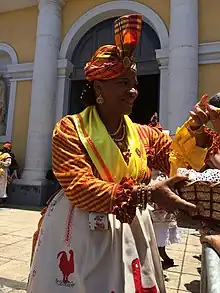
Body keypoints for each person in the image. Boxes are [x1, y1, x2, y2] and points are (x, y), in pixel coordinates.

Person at [27, 15, 216, 293]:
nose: (133, 92)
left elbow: (177, 162)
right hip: (81, 231)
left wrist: (198, 130)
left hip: (132, 229)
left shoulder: (144, 133)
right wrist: (146, 195)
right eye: (122, 83)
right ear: (99, 87)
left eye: (134, 82)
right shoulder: (71, 129)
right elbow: (78, 187)